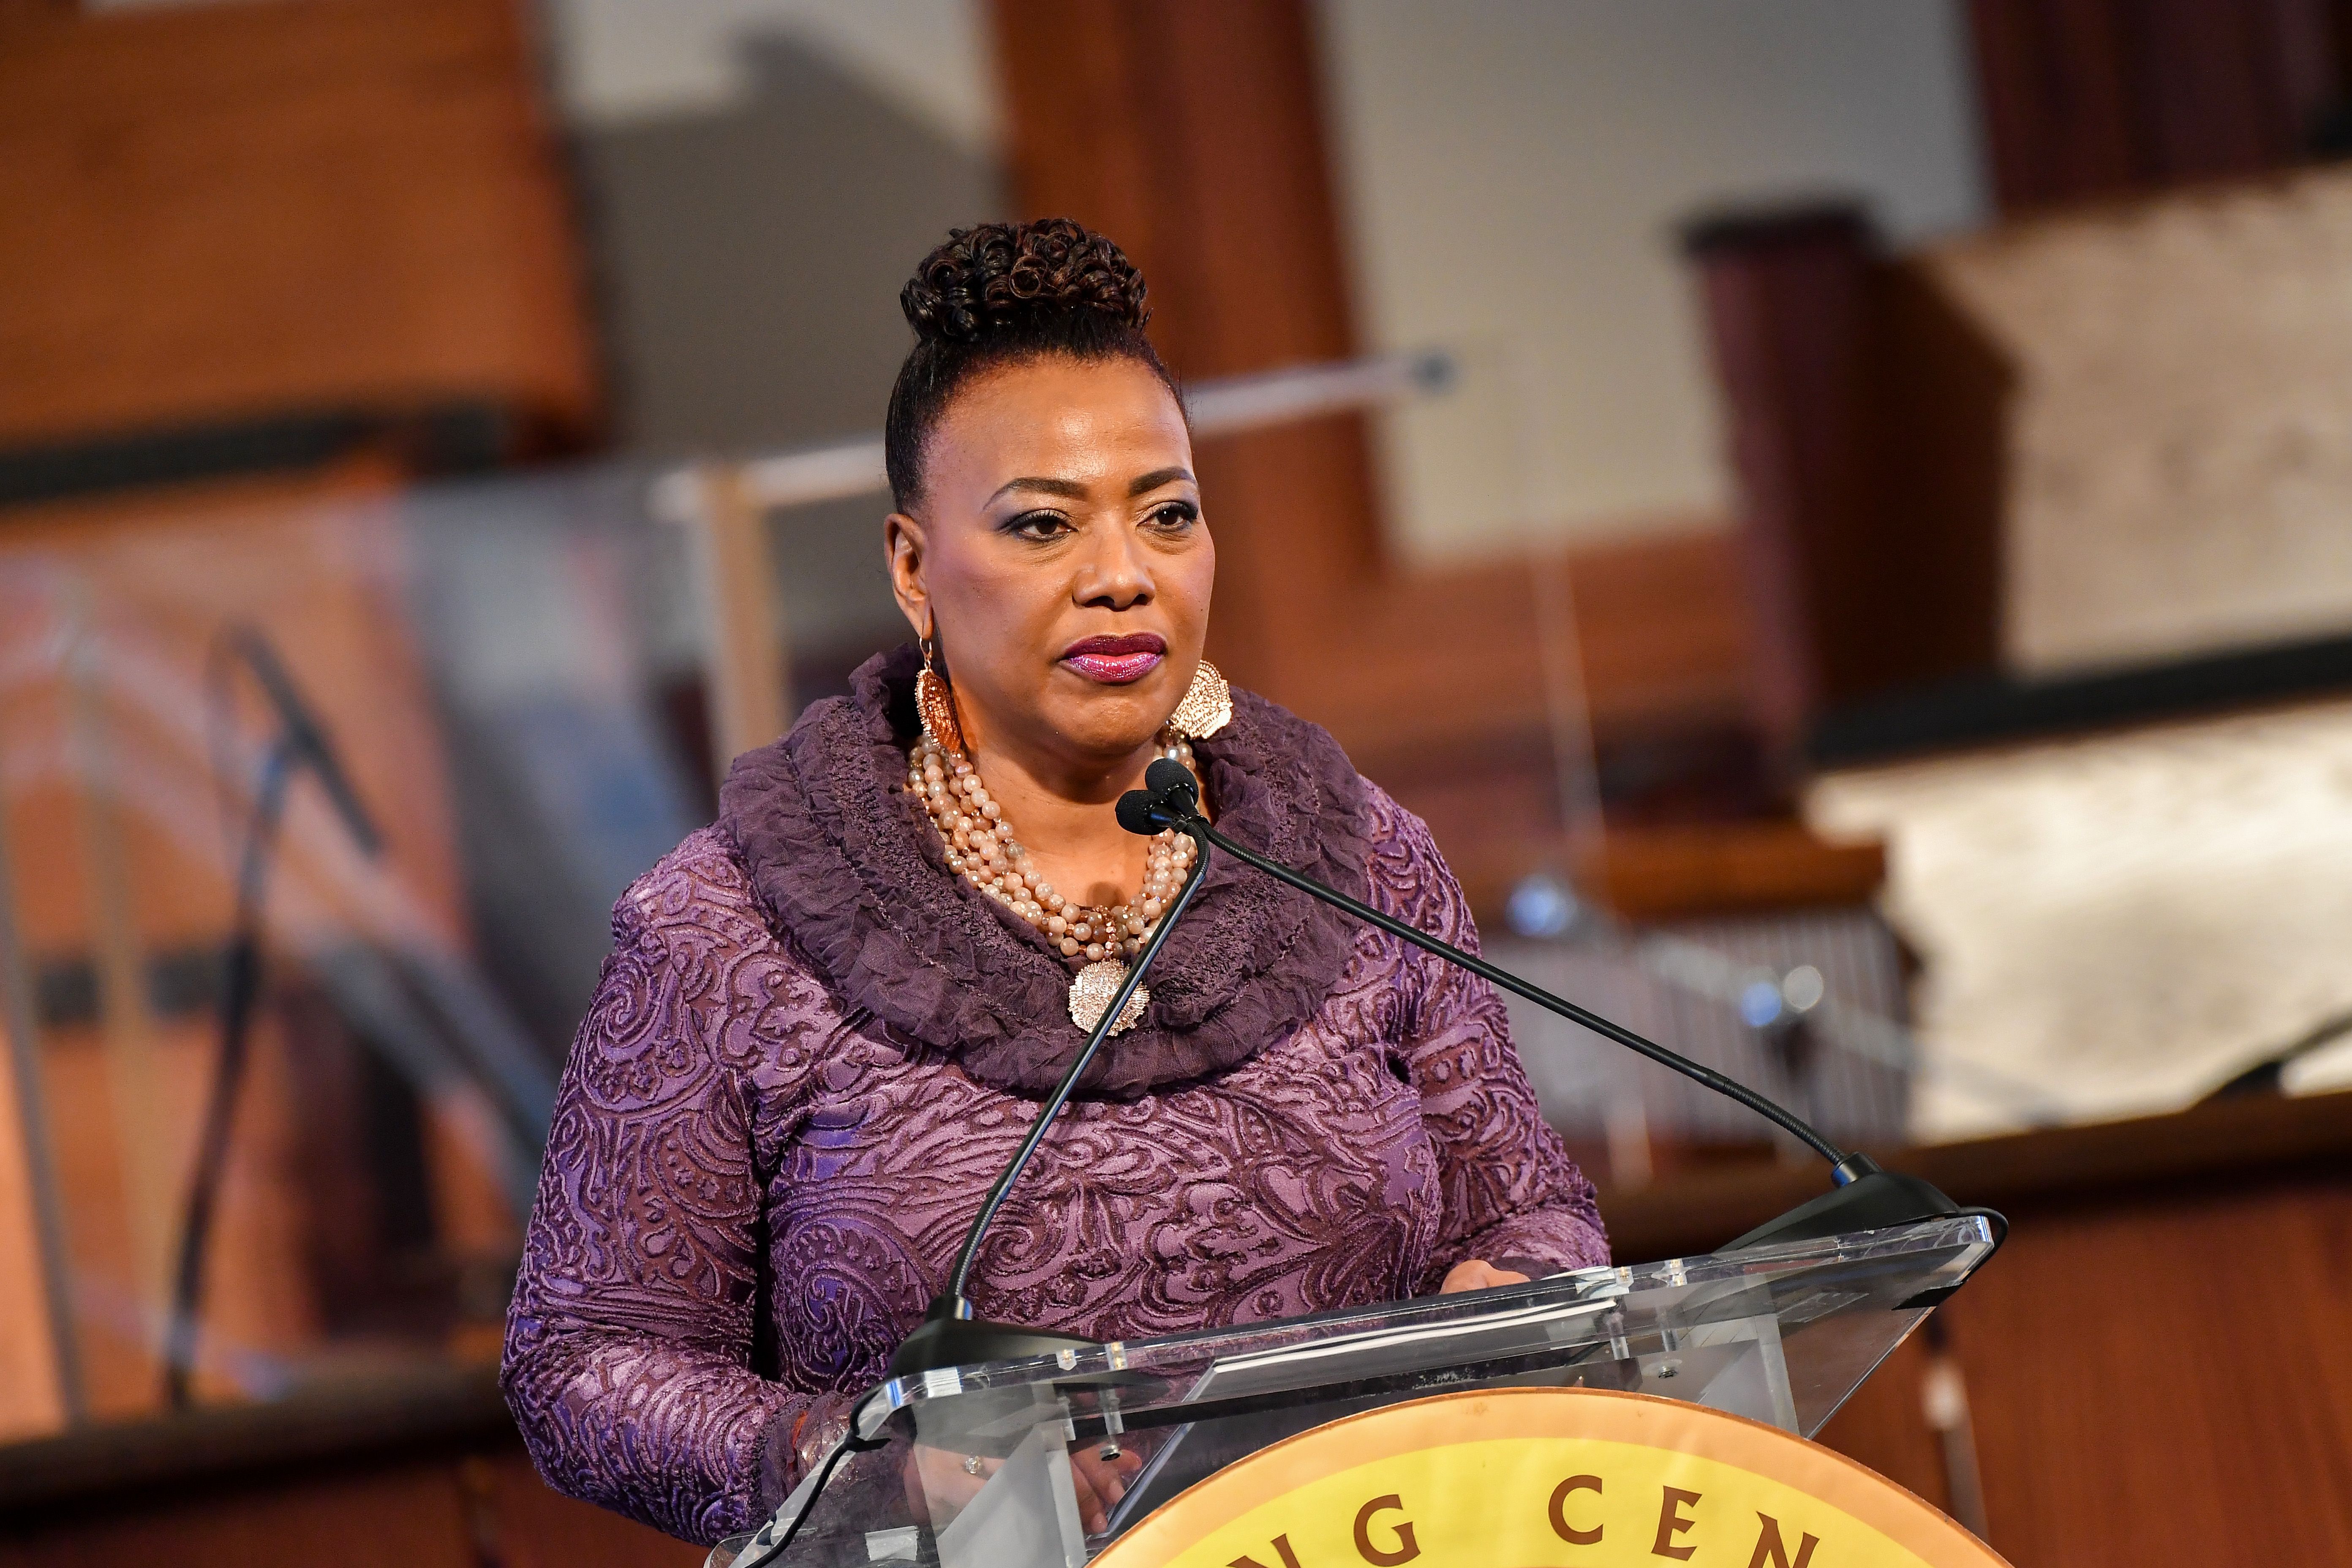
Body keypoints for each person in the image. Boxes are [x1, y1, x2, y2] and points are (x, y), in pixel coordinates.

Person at [500, 218, 1606, 1546]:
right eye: (1042, 526)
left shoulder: (1361, 861)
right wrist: (860, 1458)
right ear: (913, 568)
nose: (1122, 576)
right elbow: (585, 1364)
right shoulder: (727, 930)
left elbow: (1536, 1207)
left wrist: (1526, 1284)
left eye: (1169, 514)